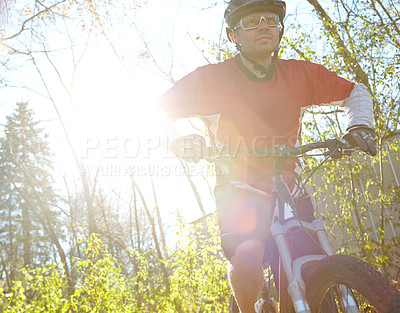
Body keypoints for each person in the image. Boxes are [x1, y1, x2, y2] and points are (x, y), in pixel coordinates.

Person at [159, 0, 376, 312]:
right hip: (239, 186)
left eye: (270, 19)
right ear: (234, 36)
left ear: (279, 28)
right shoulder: (211, 79)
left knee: (311, 268)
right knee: (247, 253)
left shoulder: (299, 73)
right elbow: (157, 111)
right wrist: (178, 141)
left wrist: (360, 126)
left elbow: (355, 91)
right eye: (251, 21)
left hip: (289, 184)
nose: (263, 25)